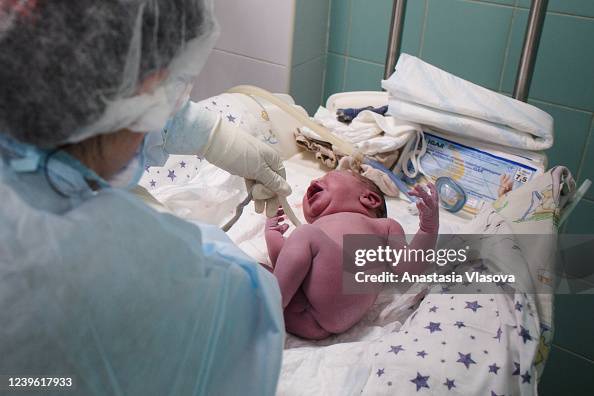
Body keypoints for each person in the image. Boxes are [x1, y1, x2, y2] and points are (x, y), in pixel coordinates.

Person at [0, 1, 288, 395]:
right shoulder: (172, 282)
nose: (169, 107)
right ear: (144, 86)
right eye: (172, 90)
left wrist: (212, 134)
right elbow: (240, 319)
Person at [264, 170, 439, 340]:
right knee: (252, 270)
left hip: (343, 293)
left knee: (304, 234)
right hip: (305, 319)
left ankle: (269, 306)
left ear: (368, 199)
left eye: (328, 176)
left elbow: (407, 267)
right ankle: (267, 305)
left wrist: (428, 229)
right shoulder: (316, 232)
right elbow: (285, 267)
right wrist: (272, 233)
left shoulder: (384, 225)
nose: (313, 182)